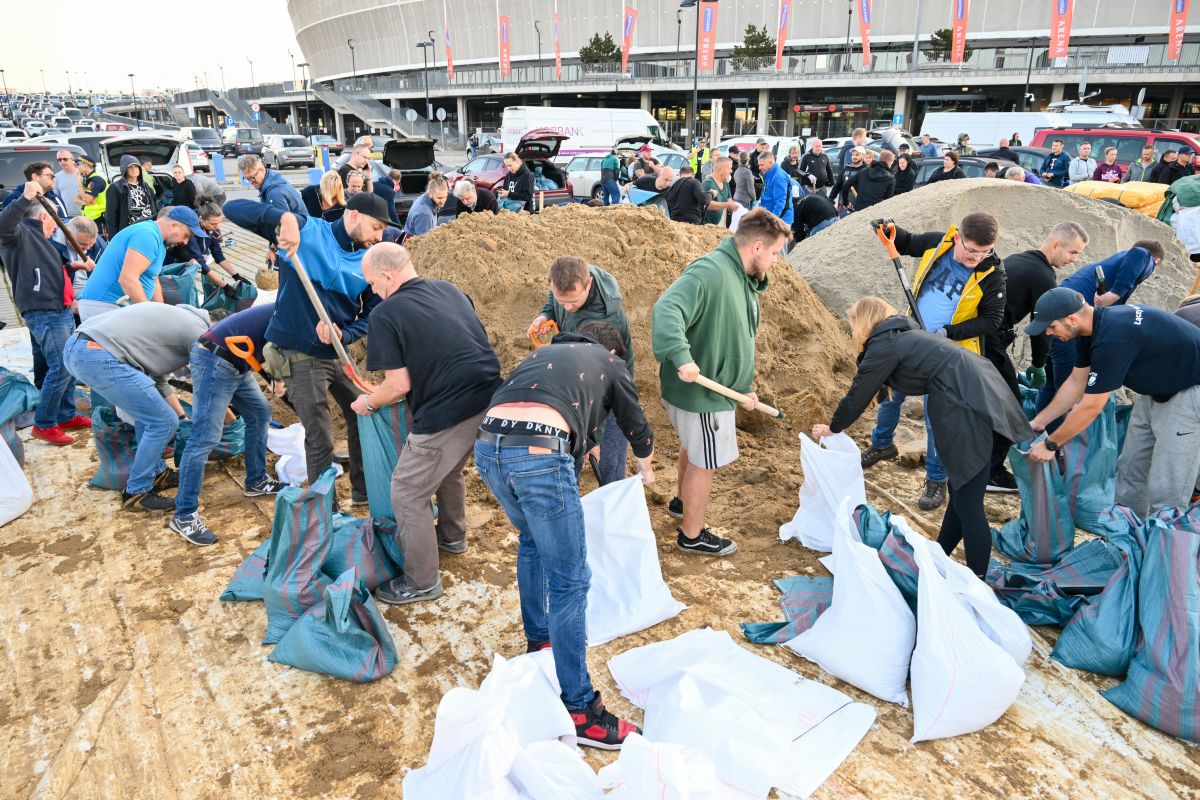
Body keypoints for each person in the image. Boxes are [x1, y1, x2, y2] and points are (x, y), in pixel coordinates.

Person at [474, 320, 652, 749]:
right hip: (538, 454)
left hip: (488, 447)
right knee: (571, 580)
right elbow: (634, 425)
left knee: (533, 539)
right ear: (616, 351)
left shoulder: (543, 356)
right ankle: (581, 712)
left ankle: (540, 641)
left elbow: (557, 409)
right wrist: (646, 469)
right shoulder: (612, 362)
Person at [813, 297, 1032, 577]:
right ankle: (940, 555)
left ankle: (977, 582)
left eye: (852, 324)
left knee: (968, 501)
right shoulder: (903, 336)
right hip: (978, 390)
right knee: (962, 490)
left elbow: (859, 392)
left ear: (864, 322)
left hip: (964, 402)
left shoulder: (885, 344)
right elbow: (876, 388)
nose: (851, 330)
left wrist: (833, 428)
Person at [350, 243, 502, 604]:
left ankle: (421, 582)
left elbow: (399, 385)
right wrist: (388, 389)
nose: (372, 290)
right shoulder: (450, 290)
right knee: (448, 471)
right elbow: (447, 348)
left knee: (407, 491)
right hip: (491, 397)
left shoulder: (385, 315)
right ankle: (452, 536)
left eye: (372, 283)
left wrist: (369, 401)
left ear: (387, 276)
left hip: (448, 409)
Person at [224, 191, 391, 508]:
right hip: (299, 355)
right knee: (320, 437)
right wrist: (284, 219)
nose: (379, 237)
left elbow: (372, 315)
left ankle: (363, 493)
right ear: (353, 216)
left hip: (337, 355)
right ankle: (325, 511)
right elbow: (232, 207)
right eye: (376, 227)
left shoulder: (367, 260)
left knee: (362, 415)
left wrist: (344, 332)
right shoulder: (308, 232)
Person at [653, 208, 790, 556]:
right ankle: (692, 536)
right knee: (705, 462)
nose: (775, 260)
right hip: (702, 393)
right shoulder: (710, 272)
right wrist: (682, 357)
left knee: (693, 447)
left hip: (717, 390)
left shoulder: (737, 275)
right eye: (774, 253)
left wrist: (742, 385)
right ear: (757, 247)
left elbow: (733, 333)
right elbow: (668, 309)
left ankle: (683, 504)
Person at [859, 213, 1005, 511]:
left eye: (984, 252)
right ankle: (882, 444)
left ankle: (936, 479)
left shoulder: (994, 274)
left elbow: (992, 321)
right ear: (959, 238)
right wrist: (891, 230)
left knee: (936, 418)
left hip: (950, 355)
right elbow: (908, 242)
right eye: (970, 250)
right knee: (890, 394)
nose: (976, 257)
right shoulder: (939, 243)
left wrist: (947, 332)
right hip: (912, 338)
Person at [1026, 288, 1200, 517]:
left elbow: (1091, 406)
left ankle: (1163, 549)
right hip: (1157, 387)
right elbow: (1077, 382)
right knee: (1130, 469)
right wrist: (1039, 422)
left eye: (1051, 326)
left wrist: (1051, 444)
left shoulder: (1114, 337)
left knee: (1166, 484)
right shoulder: (1091, 330)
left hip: (1190, 390)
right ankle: (1126, 538)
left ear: (1071, 319)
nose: (1048, 332)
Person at [63, 303, 211, 511]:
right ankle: (136, 491)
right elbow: (210, 386)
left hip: (82, 349)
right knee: (163, 422)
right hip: (96, 354)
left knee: (151, 415)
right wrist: (230, 421)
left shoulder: (176, 323)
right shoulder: (200, 332)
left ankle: (157, 473)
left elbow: (160, 383)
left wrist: (183, 417)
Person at [982, 221, 1089, 490]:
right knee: (1011, 406)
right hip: (990, 338)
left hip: (983, 334)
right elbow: (1042, 327)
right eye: (1072, 253)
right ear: (1055, 245)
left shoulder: (1023, 259)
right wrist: (1039, 364)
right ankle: (992, 471)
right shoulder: (1043, 276)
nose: (1074, 260)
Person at [170, 304, 284, 545]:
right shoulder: (298, 311)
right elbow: (280, 352)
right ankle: (184, 514)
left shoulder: (300, 308)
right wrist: (280, 379)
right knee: (204, 437)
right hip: (215, 358)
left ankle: (256, 481)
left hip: (237, 360)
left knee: (259, 413)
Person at [0, 180, 92, 445]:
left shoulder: (43, 241)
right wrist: (25, 198)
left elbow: (49, 272)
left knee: (69, 363)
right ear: (43, 216)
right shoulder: (18, 234)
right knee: (61, 366)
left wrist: (73, 266)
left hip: (60, 309)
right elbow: (2, 226)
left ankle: (65, 414)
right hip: (44, 312)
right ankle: (44, 423)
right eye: (54, 221)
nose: (56, 227)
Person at [528, 257, 634, 484]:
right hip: (576, 380)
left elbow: (602, 385)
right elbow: (555, 301)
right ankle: (568, 505)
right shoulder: (570, 277)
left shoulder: (605, 318)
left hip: (610, 389)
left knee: (608, 461)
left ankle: (614, 510)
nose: (567, 308)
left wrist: (594, 439)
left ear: (589, 285)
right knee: (570, 453)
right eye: (561, 300)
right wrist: (546, 314)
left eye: (573, 302)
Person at [1034, 241, 1165, 416]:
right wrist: (1115, 293)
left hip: (1054, 319)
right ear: (1156, 260)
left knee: (1051, 386)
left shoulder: (1116, 262)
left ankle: (1037, 430)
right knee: (1065, 396)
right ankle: (1055, 441)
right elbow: (1139, 254)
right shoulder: (1142, 256)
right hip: (1066, 326)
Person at [77, 208, 203, 320]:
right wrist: (148, 318)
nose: (186, 242)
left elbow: (153, 279)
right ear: (174, 225)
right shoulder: (147, 235)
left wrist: (161, 315)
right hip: (104, 306)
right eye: (186, 235)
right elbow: (128, 279)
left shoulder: (159, 241)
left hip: (114, 307)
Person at [165, 199, 237, 291]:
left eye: (219, 223)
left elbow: (218, 254)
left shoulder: (212, 229)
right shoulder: (191, 229)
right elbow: (199, 260)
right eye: (213, 223)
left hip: (189, 266)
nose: (217, 227)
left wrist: (235, 275)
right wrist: (224, 285)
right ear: (201, 218)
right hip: (172, 264)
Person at [105, 155, 157, 235]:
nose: (134, 169)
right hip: (130, 229)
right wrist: (114, 237)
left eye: (136, 166)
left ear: (140, 168)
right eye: (130, 167)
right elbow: (111, 216)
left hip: (148, 227)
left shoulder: (146, 186)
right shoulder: (116, 187)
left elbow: (154, 207)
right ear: (124, 169)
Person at [403, 172, 449, 238]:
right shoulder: (425, 213)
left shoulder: (427, 198)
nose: (443, 201)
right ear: (430, 193)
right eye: (439, 198)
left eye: (445, 197)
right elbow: (424, 242)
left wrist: (437, 229)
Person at [757, 151, 795, 227]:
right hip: (771, 217)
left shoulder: (778, 177)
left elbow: (780, 202)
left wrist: (773, 220)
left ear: (771, 163)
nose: (759, 167)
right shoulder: (768, 173)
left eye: (762, 165)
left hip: (780, 220)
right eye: (759, 165)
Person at [701, 156, 738, 225]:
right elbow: (706, 205)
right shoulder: (708, 183)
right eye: (729, 168)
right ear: (720, 170)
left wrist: (738, 209)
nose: (731, 171)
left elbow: (729, 202)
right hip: (704, 226)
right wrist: (727, 205)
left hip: (715, 226)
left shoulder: (725, 183)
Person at [77, 156, 108, 236]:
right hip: (90, 218)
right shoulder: (87, 179)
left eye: (78, 164)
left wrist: (78, 181)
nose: (77, 167)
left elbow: (87, 199)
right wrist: (84, 201)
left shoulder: (96, 179)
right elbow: (76, 199)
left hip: (98, 218)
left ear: (85, 165)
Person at [54, 150, 82, 216]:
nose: (62, 162)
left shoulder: (82, 173)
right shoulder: (56, 177)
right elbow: (56, 197)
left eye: (65, 159)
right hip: (67, 215)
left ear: (73, 159)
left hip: (84, 213)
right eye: (59, 160)